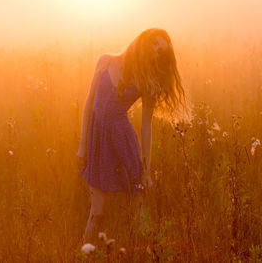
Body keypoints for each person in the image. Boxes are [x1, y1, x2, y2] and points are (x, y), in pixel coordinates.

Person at [77, 28, 186, 242]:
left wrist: (146, 169)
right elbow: (89, 103)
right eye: (155, 43)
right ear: (142, 41)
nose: (157, 50)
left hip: (123, 141)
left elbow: (146, 126)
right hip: (97, 141)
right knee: (97, 211)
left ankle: (151, 251)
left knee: (138, 205)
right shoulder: (105, 61)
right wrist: (82, 145)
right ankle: (81, 255)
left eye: (162, 50)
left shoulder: (148, 81)